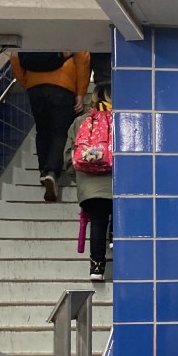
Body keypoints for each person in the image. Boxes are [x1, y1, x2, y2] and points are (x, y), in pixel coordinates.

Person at [8, 51, 91, 202]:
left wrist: (26, 82)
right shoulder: (70, 35)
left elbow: (14, 56)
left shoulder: (29, 35)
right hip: (63, 84)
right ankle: (52, 172)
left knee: (42, 130)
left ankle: (43, 170)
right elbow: (83, 58)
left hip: (34, 86)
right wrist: (81, 92)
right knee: (60, 132)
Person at [64, 80, 113, 281]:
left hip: (90, 187)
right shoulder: (122, 120)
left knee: (98, 222)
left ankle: (96, 268)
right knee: (120, 214)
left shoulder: (80, 122)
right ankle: (116, 240)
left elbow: (69, 157)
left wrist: (80, 179)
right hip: (117, 183)